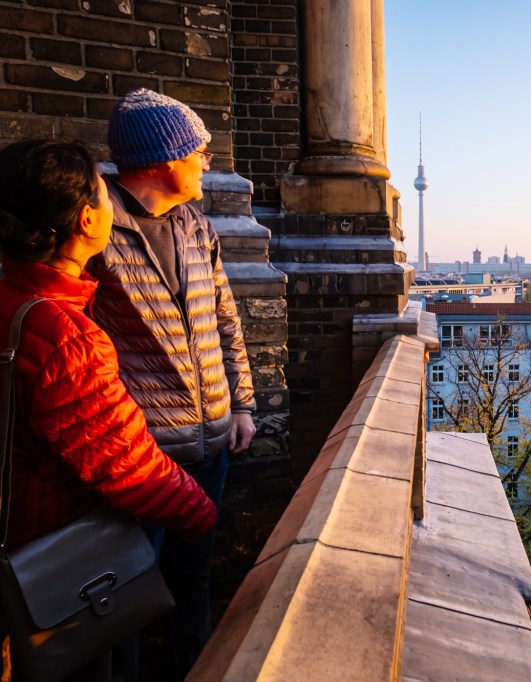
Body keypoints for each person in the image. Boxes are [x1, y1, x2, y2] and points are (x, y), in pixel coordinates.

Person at [0, 139, 218, 680]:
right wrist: (203, 513)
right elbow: (127, 467)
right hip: (59, 557)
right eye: (103, 190)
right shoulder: (65, 337)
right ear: (87, 218)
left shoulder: (16, 300)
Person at [87, 88, 256, 678]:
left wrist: (241, 405)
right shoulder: (97, 227)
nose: (207, 162)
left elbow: (225, 318)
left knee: (194, 581)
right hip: (144, 457)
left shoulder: (193, 224)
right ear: (165, 159)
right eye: (199, 152)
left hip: (210, 446)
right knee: (125, 601)